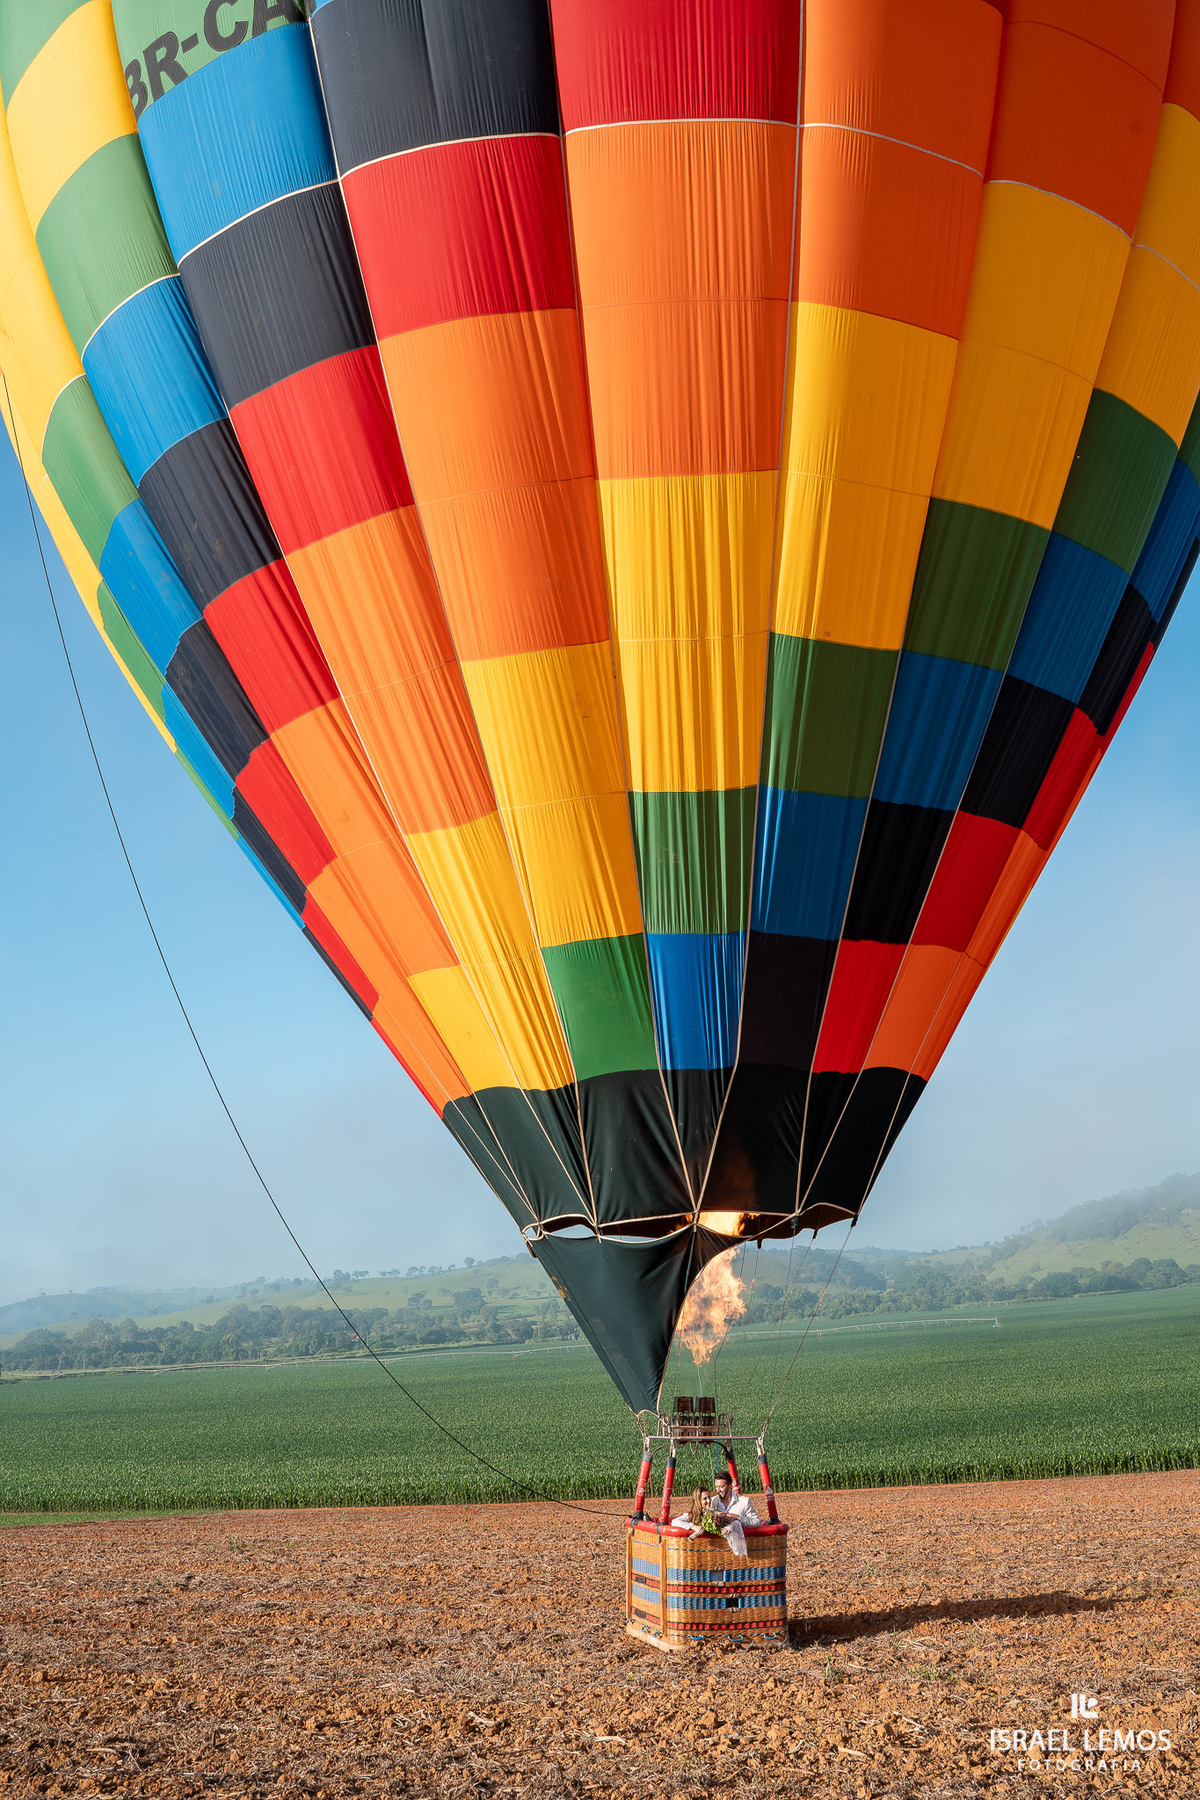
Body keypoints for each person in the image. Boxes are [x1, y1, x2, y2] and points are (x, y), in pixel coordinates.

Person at [710, 1469, 760, 1558]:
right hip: (717, 1552)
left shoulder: (744, 1502)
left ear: (730, 1485)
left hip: (738, 1553)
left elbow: (756, 1522)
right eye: (716, 1487)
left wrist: (738, 1518)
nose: (718, 1490)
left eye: (722, 1487)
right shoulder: (712, 1502)